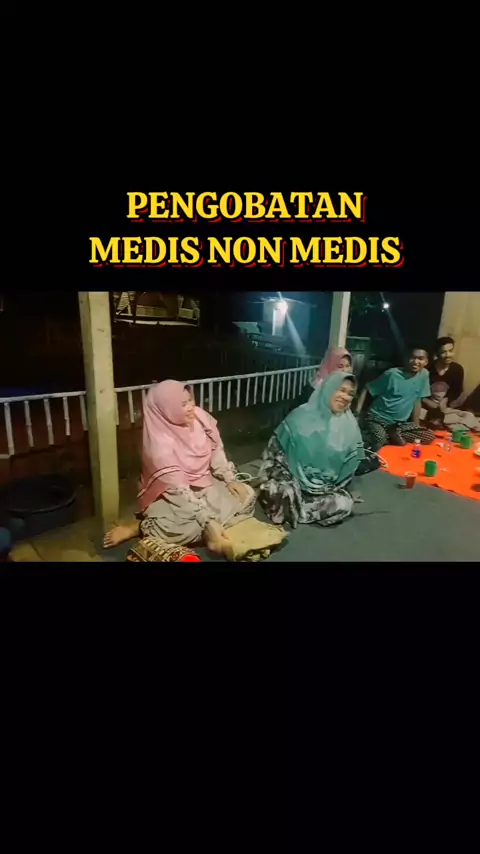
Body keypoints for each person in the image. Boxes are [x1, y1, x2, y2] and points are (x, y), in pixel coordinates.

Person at [104, 380, 256, 559]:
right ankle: (138, 527)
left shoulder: (200, 418)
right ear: (166, 409)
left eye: (190, 400)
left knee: (247, 494)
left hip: (205, 485)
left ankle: (211, 529)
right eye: (183, 404)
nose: (191, 407)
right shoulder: (159, 444)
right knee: (171, 527)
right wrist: (208, 521)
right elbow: (178, 491)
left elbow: (216, 451)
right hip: (173, 499)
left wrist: (230, 480)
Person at [258, 371, 365, 529]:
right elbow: (273, 454)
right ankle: (300, 508)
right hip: (291, 480)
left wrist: (331, 486)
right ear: (328, 389)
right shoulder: (300, 416)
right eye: (341, 390)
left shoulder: (350, 427)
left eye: (350, 394)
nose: (345, 397)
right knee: (281, 491)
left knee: (344, 504)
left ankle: (296, 511)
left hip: (324, 489)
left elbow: (348, 469)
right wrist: (287, 477)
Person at [356, 347, 436, 451]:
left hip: (398, 425)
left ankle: (392, 436)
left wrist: (416, 426)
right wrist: (357, 412)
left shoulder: (424, 375)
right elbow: (368, 388)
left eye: (420, 359)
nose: (416, 362)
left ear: (426, 362)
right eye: (412, 358)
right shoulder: (392, 374)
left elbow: (417, 400)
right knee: (380, 440)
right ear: (406, 359)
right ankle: (384, 437)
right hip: (378, 418)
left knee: (428, 436)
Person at [427, 337, 467, 409]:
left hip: (447, 406)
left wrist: (446, 400)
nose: (448, 355)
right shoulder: (428, 368)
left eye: (450, 351)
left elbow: (457, 391)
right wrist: (429, 403)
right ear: (437, 354)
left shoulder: (457, 369)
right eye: (443, 352)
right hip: (427, 405)